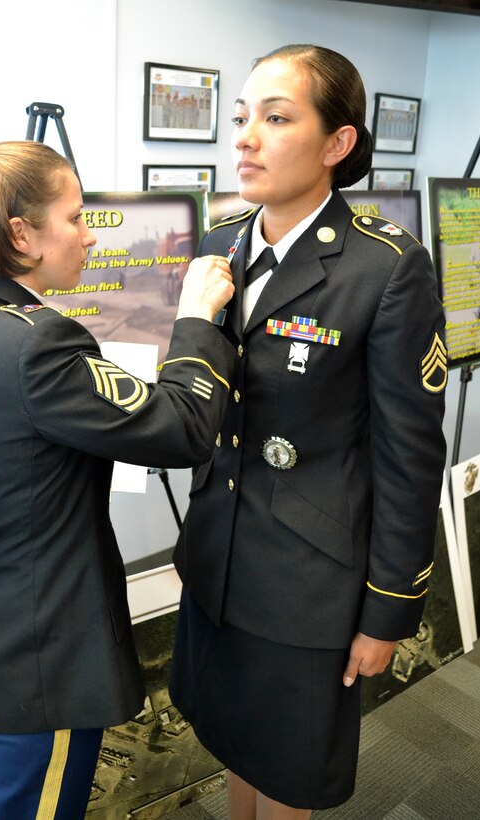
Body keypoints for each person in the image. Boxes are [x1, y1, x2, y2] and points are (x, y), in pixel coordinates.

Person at [169, 44, 447, 819]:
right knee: (232, 741)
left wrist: (389, 607)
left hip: (309, 583)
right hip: (220, 557)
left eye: (276, 117)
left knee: (292, 772)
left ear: (337, 144)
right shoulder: (217, 248)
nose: (245, 138)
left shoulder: (385, 269)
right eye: (242, 117)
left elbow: (410, 457)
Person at [0, 140, 235, 819]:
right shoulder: (41, 340)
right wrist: (195, 321)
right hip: (46, 658)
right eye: (75, 216)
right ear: (21, 234)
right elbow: (183, 428)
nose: (91, 234)